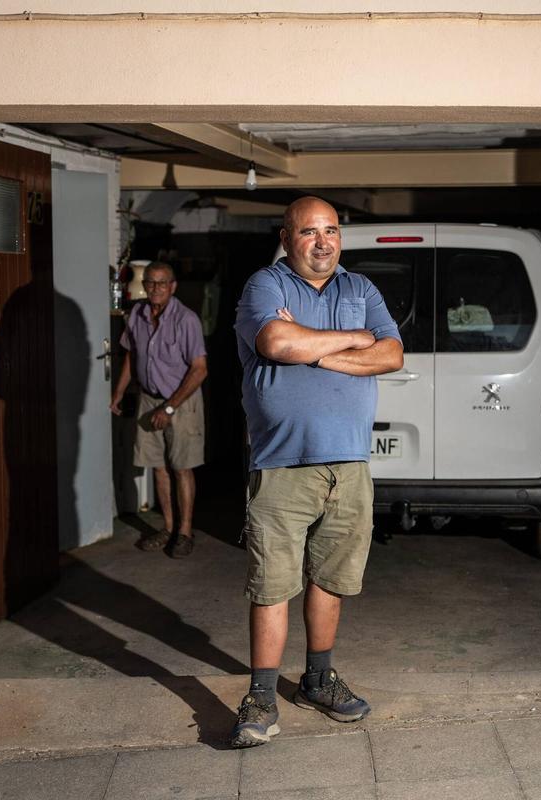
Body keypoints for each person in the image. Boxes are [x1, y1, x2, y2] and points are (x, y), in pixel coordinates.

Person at [228, 196, 403, 747]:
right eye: (309, 232)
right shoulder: (266, 286)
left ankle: (317, 678)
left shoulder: (360, 289)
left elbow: (394, 354)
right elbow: (276, 342)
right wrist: (355, 340)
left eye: (331, 230)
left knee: (330, 578)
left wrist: (317, 352)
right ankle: (260, 695)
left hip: (349, 463)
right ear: (287, 238)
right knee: (273, 583)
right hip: (283, 464)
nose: (323, 241)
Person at [110, 261, 208, 558]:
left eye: (161, 283)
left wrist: (169, 408)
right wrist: (118, 392)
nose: (155, 288)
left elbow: (200, 369)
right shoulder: (138, 314)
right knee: (159, 467)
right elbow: (131, 356)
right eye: (150, 283)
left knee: (181, 467)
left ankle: (185, 532)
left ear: (173, 286)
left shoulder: (186, 319)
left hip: (181, 401)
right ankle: (167, 527)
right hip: (149, 398)